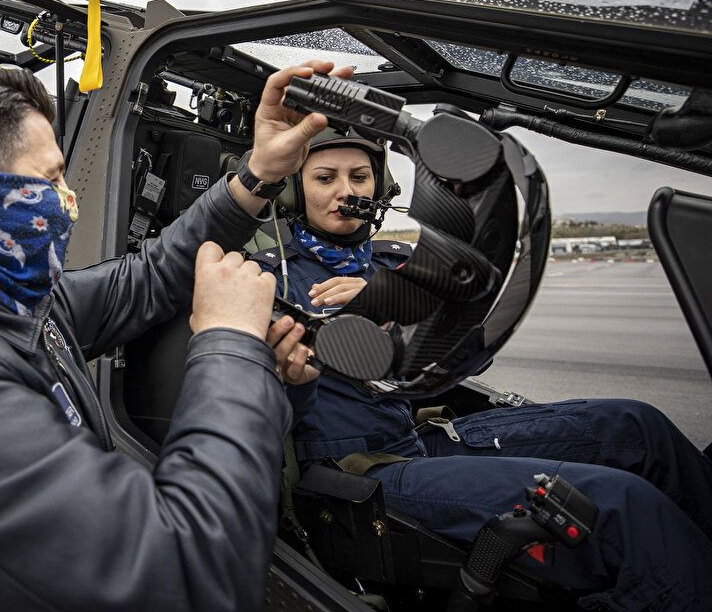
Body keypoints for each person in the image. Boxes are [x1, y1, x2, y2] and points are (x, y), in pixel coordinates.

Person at [0, 57, 349, 612]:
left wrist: (258, 175)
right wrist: (230, 342)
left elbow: (147, 279)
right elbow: (187, 579)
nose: (69, 199)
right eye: (51, 178)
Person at [260, 135, 712, 611]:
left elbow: (466, 361)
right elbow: (267, 409)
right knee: (620, 505)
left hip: (417, 438)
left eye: (359, 176)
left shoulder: (396, 265)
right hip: (352, 471)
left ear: (380, 184)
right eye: (324, 178)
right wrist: (297, 377)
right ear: (293, 189)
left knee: (637, 427)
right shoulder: (274, 281)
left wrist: (405, 312)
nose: (344, 191)